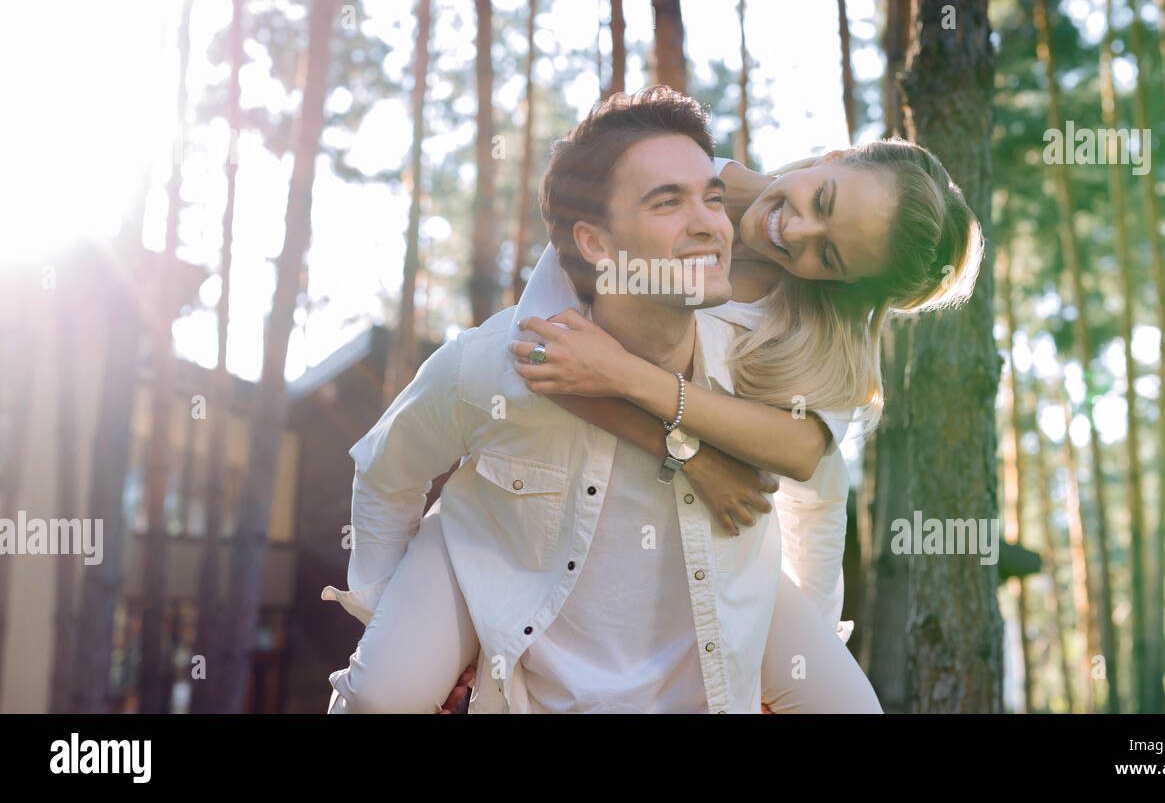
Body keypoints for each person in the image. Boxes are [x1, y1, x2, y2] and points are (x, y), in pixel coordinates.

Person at [323, 86, 981, 712]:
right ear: (835, 156)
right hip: (539, 501)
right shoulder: (668, 179)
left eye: (830, 256)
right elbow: (550, 358)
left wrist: (786, 642)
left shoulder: (817, 333)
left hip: (704, 539)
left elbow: (808, 465)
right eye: (825, 199)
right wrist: (696, 455)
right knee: (385, 693)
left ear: (846, 284)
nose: (796, 230)